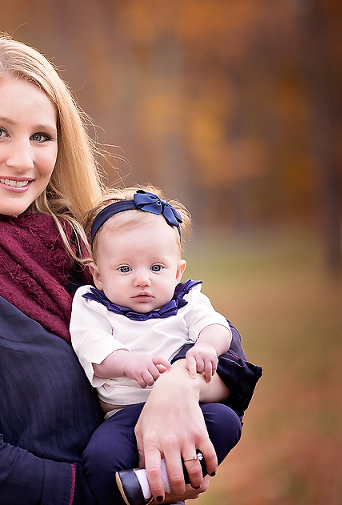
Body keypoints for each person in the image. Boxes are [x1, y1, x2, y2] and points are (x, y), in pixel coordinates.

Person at [0, 34, 262, 505]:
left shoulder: (80, 249)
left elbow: (218, 340)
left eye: (41, 136)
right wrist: (104, 494)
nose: (23, 159)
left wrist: (178, 386)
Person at [71, 186, 247, 505]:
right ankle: (142, 486)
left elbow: (216, 326)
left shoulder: (186, 300)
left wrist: (207, 346)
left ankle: (164, 479)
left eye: (156, 268)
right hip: (125, 416)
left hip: (186, 411)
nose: (142, 279)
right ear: (97, 276)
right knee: (99, 459)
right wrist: (127, 363)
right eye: (125, 269)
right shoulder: (92, 304)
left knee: (226, 421)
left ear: (177, 271)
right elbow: (92, 349)